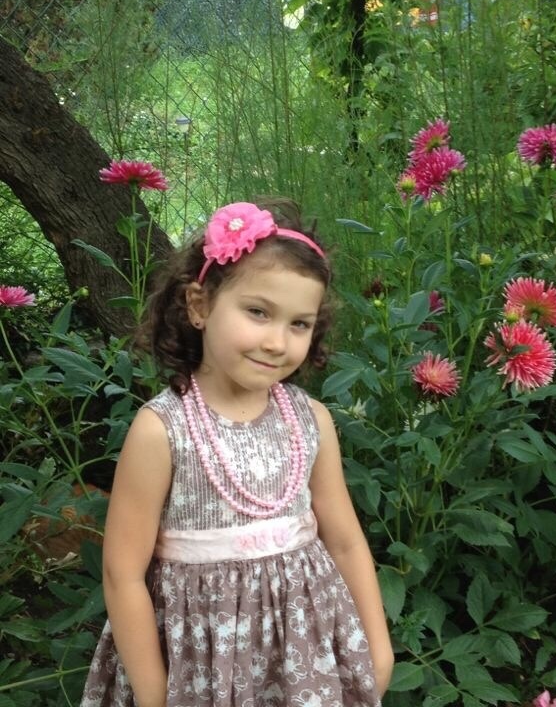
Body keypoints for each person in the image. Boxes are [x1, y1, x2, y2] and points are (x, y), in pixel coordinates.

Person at [81, 199, 394, 707]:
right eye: (258, 312)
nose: (277, 342)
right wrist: (156, 695)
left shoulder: (310, 421)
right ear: (200, 306)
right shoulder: (163, 431)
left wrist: (378, 650)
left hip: (303, 660)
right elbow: (123, 574)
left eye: (299, 324)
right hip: (199, 665)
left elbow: (345, 543)